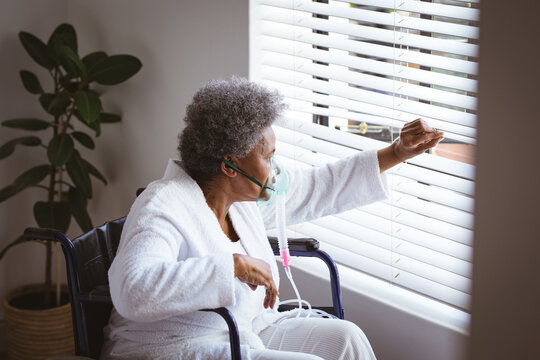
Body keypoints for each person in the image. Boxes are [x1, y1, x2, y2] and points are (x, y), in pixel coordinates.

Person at [102, 77, 443, 360]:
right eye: (268, 156)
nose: (275, 168)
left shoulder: (239, 200)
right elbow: (133, 291)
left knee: (346, 340)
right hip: (173, 347)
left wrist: (396, 152)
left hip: (244, 330)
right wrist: (231, 266)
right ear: (229, 165)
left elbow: (317, 187)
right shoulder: (163, 205)